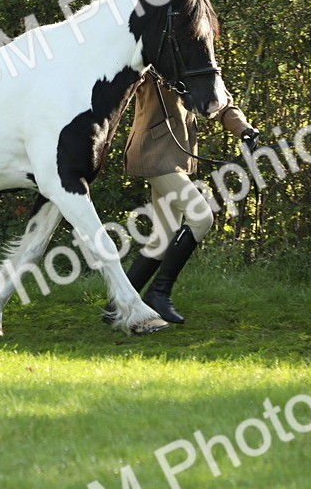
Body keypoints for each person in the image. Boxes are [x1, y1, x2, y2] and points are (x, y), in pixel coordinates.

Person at [108, 73, 260, 325]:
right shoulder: (154, 58)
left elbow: (219, 100)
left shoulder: (198, 60)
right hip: (152, 153)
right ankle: (158, 294)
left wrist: (243, 128)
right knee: (201, 217)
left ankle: (117, 305)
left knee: (163, 237)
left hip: (176, 158)